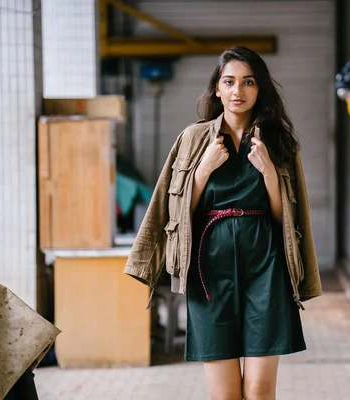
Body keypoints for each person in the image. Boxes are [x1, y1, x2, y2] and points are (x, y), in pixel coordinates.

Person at [124, 46, 322, 400]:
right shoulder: (194, 139)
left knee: (260, 390)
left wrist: (269, 175)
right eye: (229, 82)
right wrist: (202, 170)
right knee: (225, 393)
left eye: (248, 82)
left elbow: (288, 217)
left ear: (260, 88)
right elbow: (175, 211)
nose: (238, 91)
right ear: (217, 88)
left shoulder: (278, 142)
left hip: (265, 264)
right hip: (208, 268)